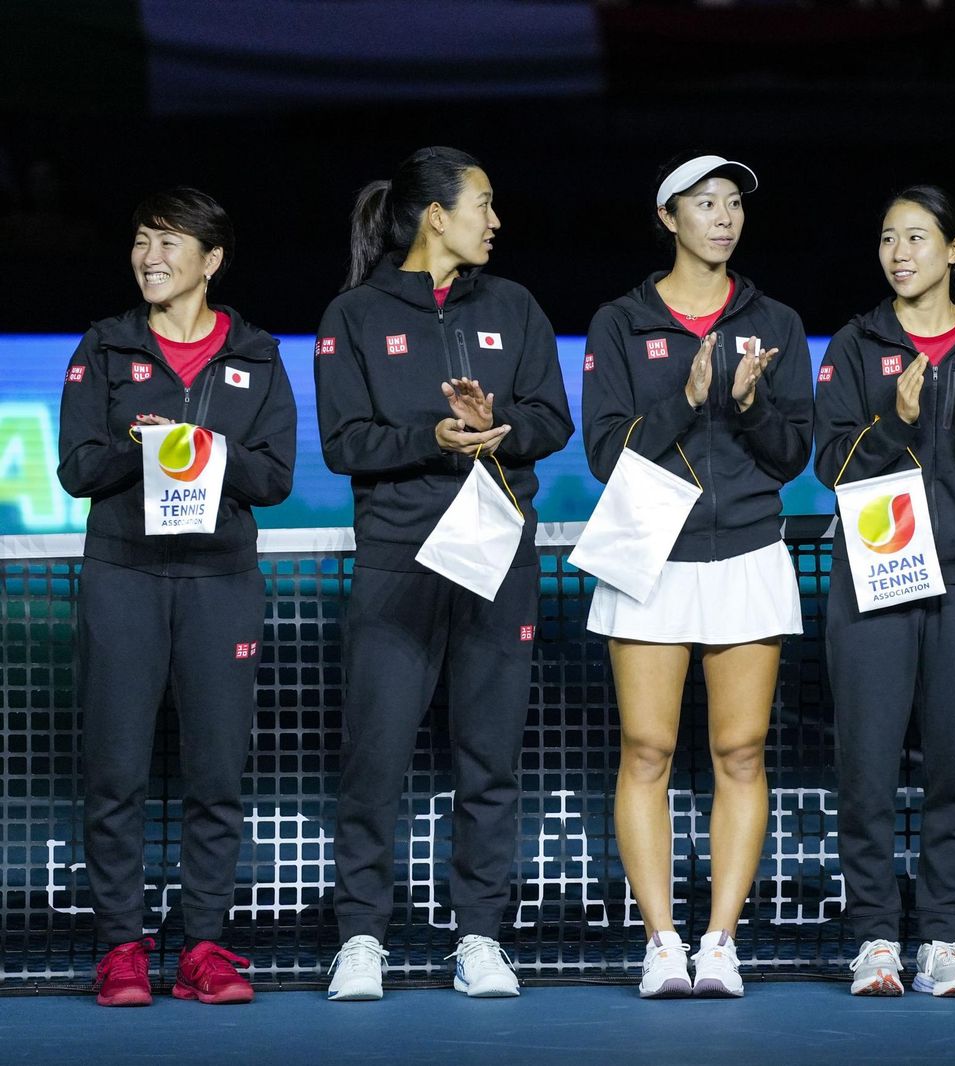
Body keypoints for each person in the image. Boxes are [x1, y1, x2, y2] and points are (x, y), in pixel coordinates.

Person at [316, 146, 574, 1001]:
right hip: (397, 558)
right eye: (484, 205)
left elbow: (552, 420)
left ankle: (479, 937)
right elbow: (346, 443)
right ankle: (360, 936)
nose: (496, 222)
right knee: (376, 758)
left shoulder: (516, 304)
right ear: (437, 216)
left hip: (498, 554)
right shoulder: (353, 314)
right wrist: (433, 435)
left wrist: (497, 423)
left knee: (489, 758)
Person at [57, 187, 297, 1007]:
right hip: (123, 574)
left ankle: (204, 946)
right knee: (115, 770)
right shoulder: (106, 345)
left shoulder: (258, 356)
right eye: (140, 241)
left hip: (221, 582)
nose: (150, 257)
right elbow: (77, 469)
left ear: (212, 261)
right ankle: (121, 948)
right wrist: (143, 441)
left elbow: (274, 476)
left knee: (216, 773)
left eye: (168, 243)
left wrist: (205, 449)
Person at [581, 152, 813, 998]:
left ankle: (719, 941)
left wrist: (748, 404)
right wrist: (686, 396)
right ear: (668, 217)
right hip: (651, 555)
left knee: (740, 750)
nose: (724, 217)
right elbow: (607, 452)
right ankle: (662, 943)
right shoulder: (620, 321)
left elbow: (794, 454)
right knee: (647, 748)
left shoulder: (776, 322)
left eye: (734, 205)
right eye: (705, 203)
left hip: (748, 549)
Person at [815, 184, 955, 998]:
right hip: (875, 575)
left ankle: (940, 938)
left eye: (916, 237)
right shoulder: (853, 344)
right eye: (886, 238)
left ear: (954, 249)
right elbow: (828, 465)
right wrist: (896, 424)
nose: (899, 253)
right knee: (867, 767)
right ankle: (875, 937)